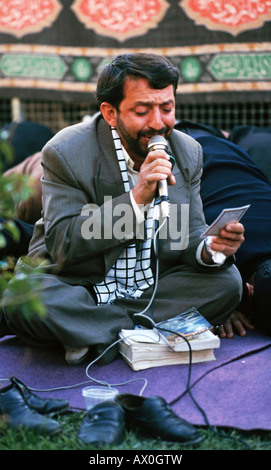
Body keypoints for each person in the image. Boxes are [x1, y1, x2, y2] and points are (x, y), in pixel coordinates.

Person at [1, 53, 244, 365]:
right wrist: (136, 199)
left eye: (167, 108)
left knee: (228, 282)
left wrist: (210, 250)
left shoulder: (188, 152)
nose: (158, 123)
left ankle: (94, 336)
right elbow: (64, 243)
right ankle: (140, 333)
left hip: (152, 288)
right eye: (142, 111)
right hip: (80, 284)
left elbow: (188, 238)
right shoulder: (65, 151)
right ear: (110, 113)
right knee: (25, 297)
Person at [175, 120, 271, 338]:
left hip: (224, 149)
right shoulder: (218, 245)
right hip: (183, 149)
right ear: (248, 290)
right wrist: (224, 306)